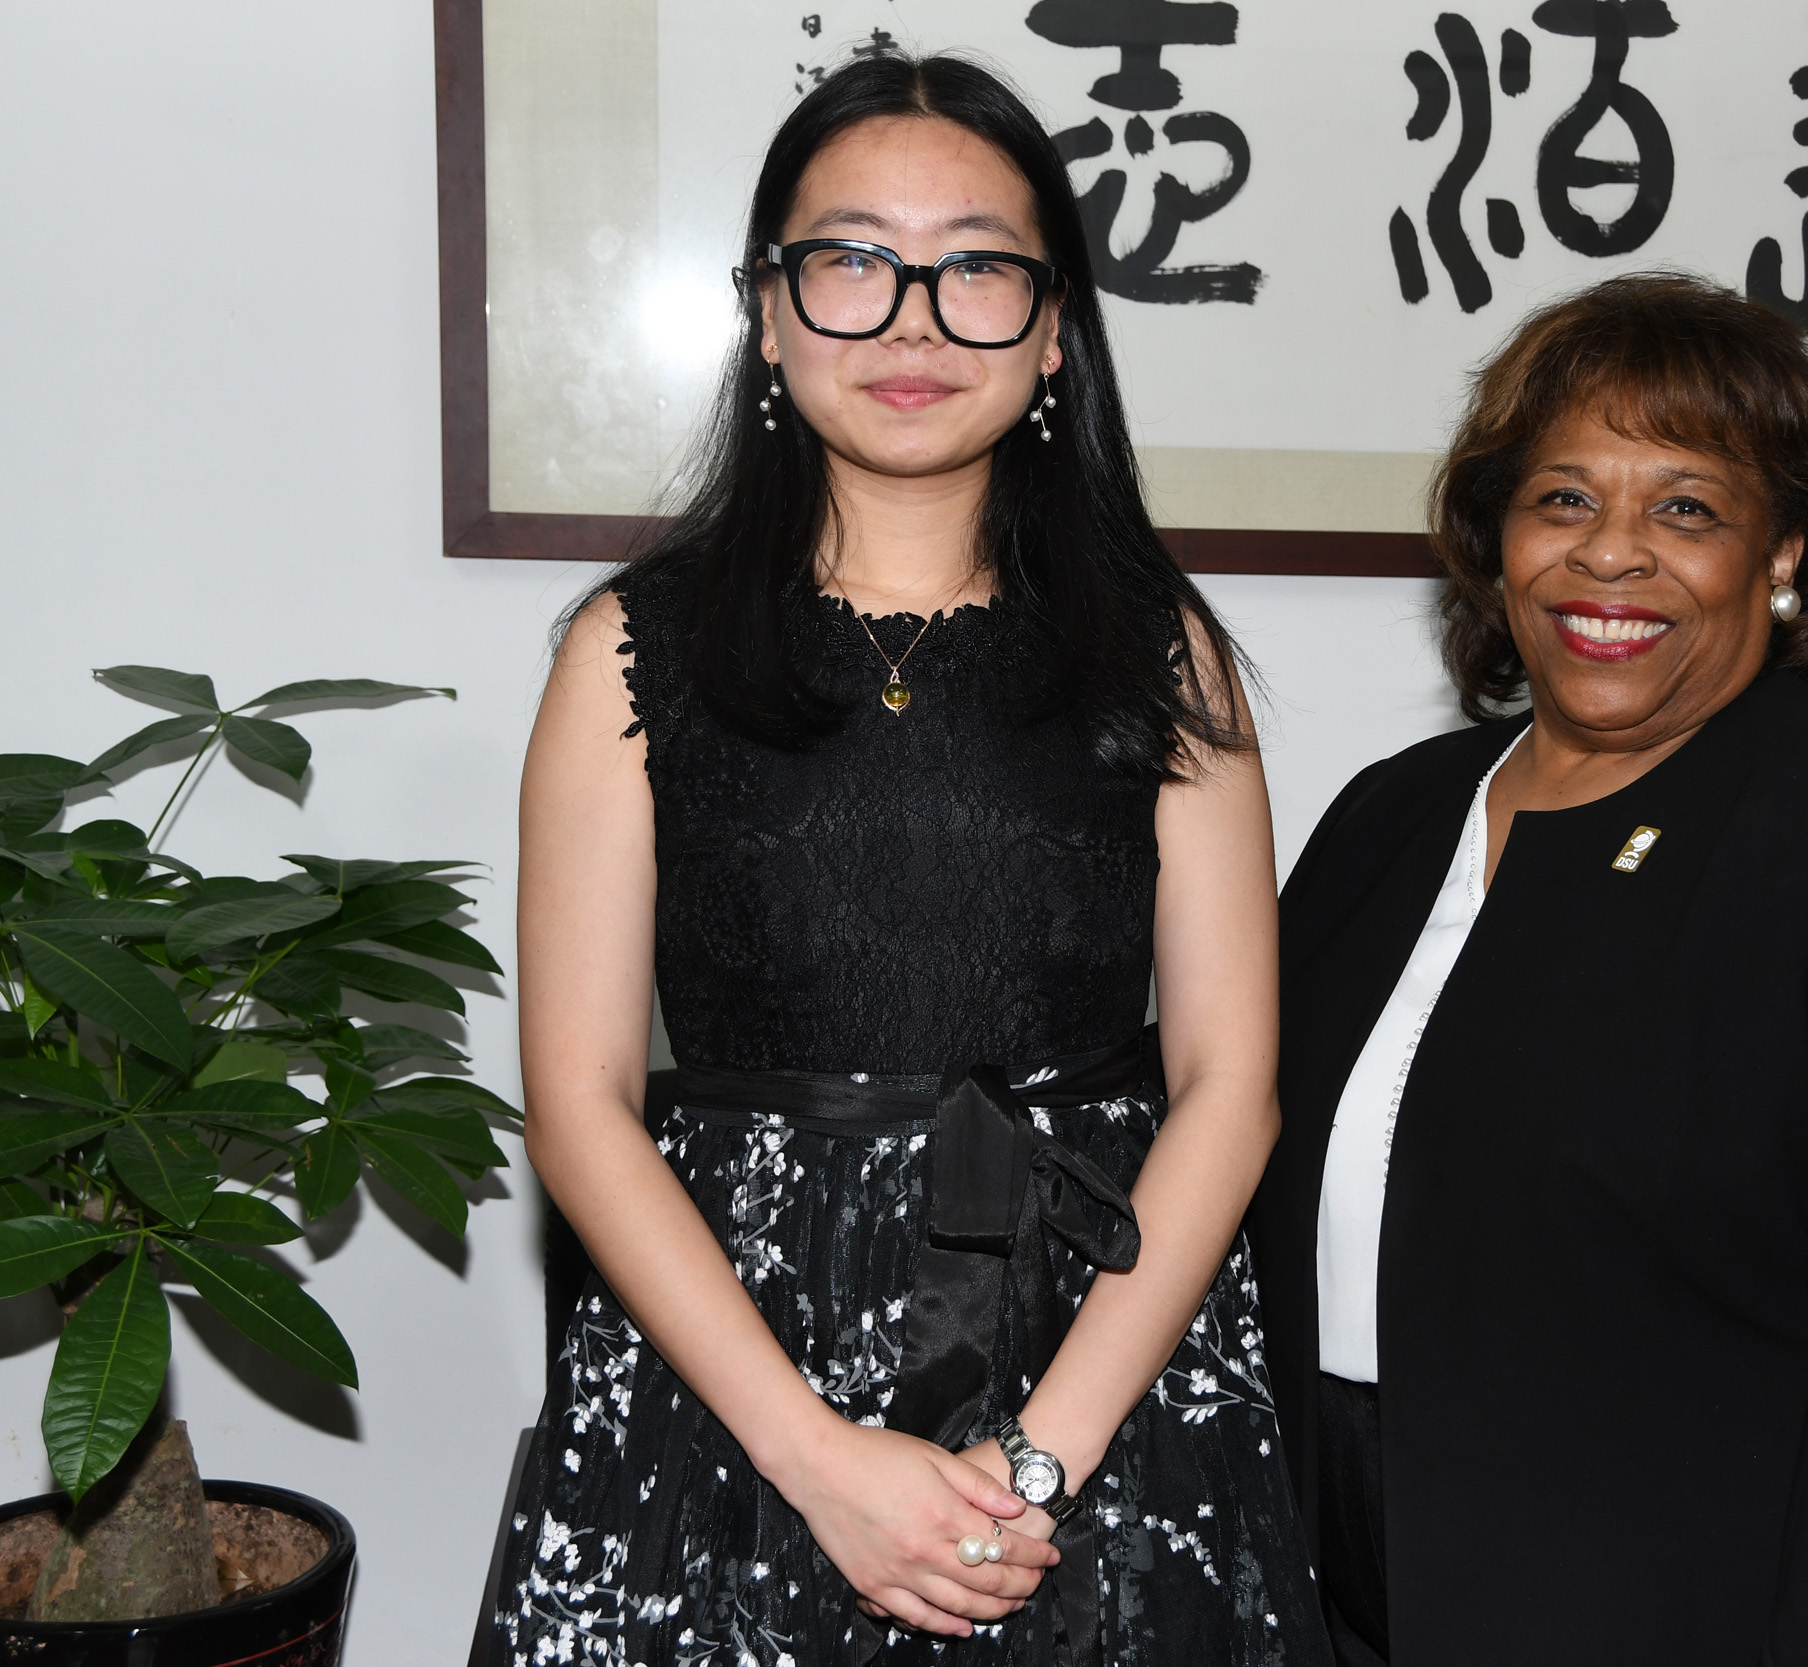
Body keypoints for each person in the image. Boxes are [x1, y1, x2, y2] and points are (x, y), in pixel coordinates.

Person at [487, 51, 1328, 1667]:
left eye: (978, 271)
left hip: (1101, 1361)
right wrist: (818, 1461)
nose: (915, 322)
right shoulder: (628, 650)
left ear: (1057, 328)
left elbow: (1231, 1084)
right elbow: (582, 1105)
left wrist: (1029, 1470)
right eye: (853, 262)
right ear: (771, 312)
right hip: (731, 1377)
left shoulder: (1168, 652)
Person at [1247, 274, 1808, 1666]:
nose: (1612, 557)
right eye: (1564, 500)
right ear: (1498, 540)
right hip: (1342, 1600)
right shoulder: (1388, 818)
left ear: (1789, 554)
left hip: (1702, 1609)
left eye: (1687, 508)